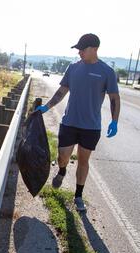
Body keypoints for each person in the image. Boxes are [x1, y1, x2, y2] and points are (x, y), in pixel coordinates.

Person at [36, 33, 120, 212]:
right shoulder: (73, 68)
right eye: (78, 49)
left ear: (95, 49)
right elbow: (62, 91)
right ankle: (62, 170)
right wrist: (47, 107)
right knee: (62, 156)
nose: (79, 52)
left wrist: (114, 121)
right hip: (70, 123)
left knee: (83, 160)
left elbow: (114, 98)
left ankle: (78, 195)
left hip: (90, 127)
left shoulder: (107, 72)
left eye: (83, 49)